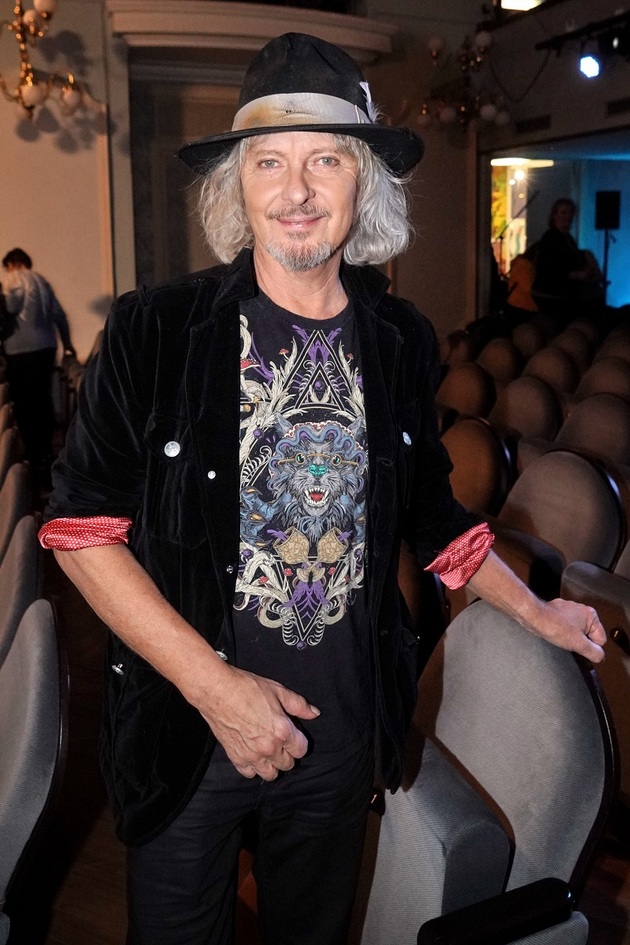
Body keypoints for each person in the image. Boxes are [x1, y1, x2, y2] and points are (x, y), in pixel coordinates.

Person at [38, 33, 605, 945]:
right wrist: (218, 690)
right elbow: (79, 529)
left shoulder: (400, 339)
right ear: (238, 185)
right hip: (189, 730)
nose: (295, 190)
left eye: (325, 161)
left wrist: (537, 611)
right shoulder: (156, 329)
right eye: (269, 161)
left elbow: (435, 519)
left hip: (340, 736)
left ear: (362, 184)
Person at [1, 247, 75, 483]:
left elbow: (11, 307)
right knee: (42, 397)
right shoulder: (42, 282)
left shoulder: (11, 279)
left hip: (18, 350)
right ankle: (45, 450)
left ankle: (31, 452)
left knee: (23, 402)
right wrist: (68, 343)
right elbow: (60, 316)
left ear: (10, 264)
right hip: (45, 347)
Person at [532, 198, 604, 324]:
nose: (568, 216)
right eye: (563, 212)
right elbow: (549, 269)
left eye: (570, 212)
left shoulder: (568, 239)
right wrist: (576, 274)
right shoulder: (551, 238)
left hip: (562, 288)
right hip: (551, 291)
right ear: (555, 216)